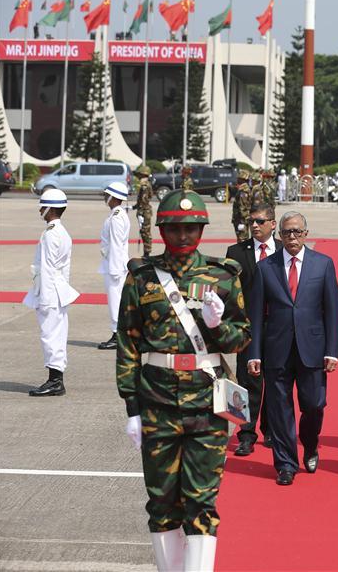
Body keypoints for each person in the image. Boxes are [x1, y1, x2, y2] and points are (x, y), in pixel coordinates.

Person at [116, 189, 251, 571]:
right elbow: (128, 341)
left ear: (202, 229)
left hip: (207, 406)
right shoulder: (142, 279)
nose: (184, 236)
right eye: (175, 228)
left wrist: (217, 324)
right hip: (156, 403)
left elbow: (241, 339)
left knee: (201, 502)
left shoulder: (223, 277)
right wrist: (131, 406)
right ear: (161, 230)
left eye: (192, 227)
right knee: (161, 501)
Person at [247, 211, 338, 485]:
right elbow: (255, 315)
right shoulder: (266, 267)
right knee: (279, 408)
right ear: (279, 235)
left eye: (297, 232)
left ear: (306, 234)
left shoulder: (323, 264)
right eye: (287, 232)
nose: (292, 237)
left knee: (314, 404)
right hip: (276, 349)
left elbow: (333, 310)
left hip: (312, 348)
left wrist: (332, 350)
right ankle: (286, 464)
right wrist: (254, 353)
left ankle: (310, 445)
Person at [224, 202, 282, 456]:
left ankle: (271, 430)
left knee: (276, 378)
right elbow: (228, 291)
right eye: (252, 222)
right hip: (248, 327)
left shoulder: (285, 248)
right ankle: (245, 433)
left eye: (260, 221)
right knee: (247, 381)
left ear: (272, 223)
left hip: (279, 326)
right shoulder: (236, 252)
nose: (255, 226)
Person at [23, 188, 80, 397]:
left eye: (42, 207)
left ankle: (55, 381)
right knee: (57, 334)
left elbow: (47, 268)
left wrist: (45, 299)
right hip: (58, 289)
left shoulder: (50, 234)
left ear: (49, 209)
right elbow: (64, 268)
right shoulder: (62, 232)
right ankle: (55, 379)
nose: (40, 211)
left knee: (50, 335)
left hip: (49, 291)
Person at [97, 182, 131, 350]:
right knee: (116, 301)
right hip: (114, 264)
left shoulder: (117, 218)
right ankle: (118, 333)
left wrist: (115, 270)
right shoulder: (118, 214)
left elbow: (117, 245)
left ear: (114, 197)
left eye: (106, 195)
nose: (105, 198)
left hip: (115, 266)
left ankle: (117, 334)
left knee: (115, 301)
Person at [134, 166, 153, 256]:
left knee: (145, 233)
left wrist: (140, 212)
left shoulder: (144, 185)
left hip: (145, 211)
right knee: (144, 232)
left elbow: (144, 200)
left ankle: (147, 253)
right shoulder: (145, 184)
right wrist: (134, 207)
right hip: (144, 210)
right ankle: (146, 252)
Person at [232, 170, 252, 242]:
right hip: (242, 219)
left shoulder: (243, 191)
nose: (237, 179)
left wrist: (242, 222)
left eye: (239, 178)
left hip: (241, 220)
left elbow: (243, 208)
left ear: (242, 179)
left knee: (242, 240)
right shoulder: (245, 189)